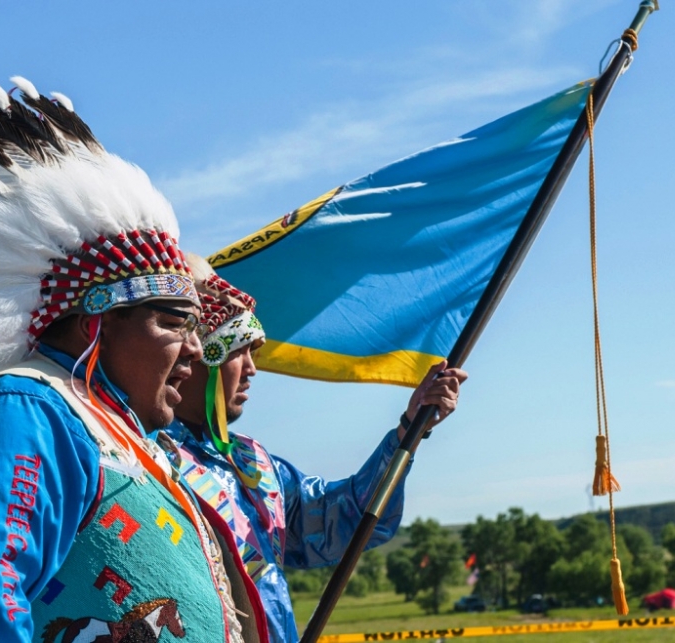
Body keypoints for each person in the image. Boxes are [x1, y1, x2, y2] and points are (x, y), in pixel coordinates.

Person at [0, 79, 267, 643]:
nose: (196, 349)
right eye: (175, 322)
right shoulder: (27, 410)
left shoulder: (121, 433)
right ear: (93, 323)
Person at [162, 255, 467, 642]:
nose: (252, 369)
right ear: (198, 355)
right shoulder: (144, 455)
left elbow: (341, 520)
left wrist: (409, 428)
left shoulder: (251, 462)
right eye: (240, 350)